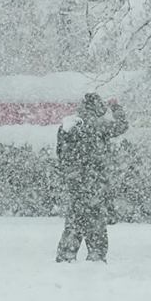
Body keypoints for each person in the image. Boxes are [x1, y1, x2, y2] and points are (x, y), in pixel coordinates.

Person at [56, 92, 127, 262]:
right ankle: (96, 254)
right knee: (95, 219)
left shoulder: (68, 125)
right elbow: (122, 126)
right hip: (95, 181)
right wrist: (116, 107)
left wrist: (71, 173)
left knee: (75, 219)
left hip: (75, 181)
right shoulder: (99, 125)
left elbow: (60, 153)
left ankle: (67, 253)